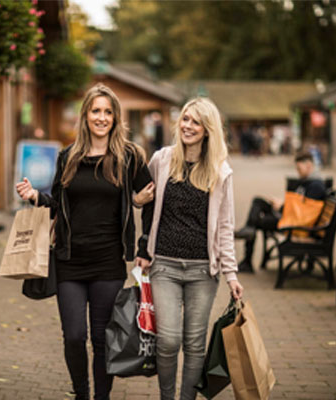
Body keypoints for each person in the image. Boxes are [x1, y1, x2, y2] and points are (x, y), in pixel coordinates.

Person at [16, 83, 153, 400]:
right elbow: (59, 205)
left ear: (115, 118)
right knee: (74, 336)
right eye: (96, 111)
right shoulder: (68, 157)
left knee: (103, 340)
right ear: (86, 115)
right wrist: (36, 196)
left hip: (108, 262)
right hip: (69, 260)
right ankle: (81, 394)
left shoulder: (129, 157)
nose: (102, 117)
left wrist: (143, 240)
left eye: (108, 112)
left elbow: (150, 200)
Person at [135, 97, 244, 400]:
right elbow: (142, 201)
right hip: (165, 266)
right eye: (185, 119)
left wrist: (231, 275)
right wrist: (136, 205)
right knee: (169, 340)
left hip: (202, 271)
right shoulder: (162, 160)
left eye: (196, 122)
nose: (188, 126)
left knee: (195, 343)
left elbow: (225, 227)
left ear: (208, 129)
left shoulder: (221, 172)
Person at [235, 150, 327, 272]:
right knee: (258, 201)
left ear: (309, 165)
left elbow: (303, 216)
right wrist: (282, 204)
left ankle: (247, 257)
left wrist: (282, 207)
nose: (298, 172)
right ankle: (249, 230)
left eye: (299, 169)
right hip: (290, 218)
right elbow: (301, 207)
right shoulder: (308, 182)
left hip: (294, 225)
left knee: (257, 221)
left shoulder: (316, 186)